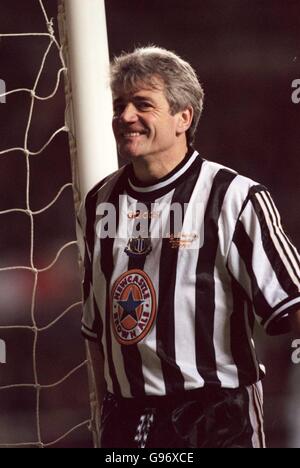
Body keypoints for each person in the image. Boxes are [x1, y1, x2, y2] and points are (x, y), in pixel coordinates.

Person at [79, 46, 300, 448]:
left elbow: (293, 303)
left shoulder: (234, 197)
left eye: (142, 104)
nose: (125, 116)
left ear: (184, 117)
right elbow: (96, 330)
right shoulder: (98, 203)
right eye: (120, 105)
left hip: (216, 419)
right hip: (127, 420)